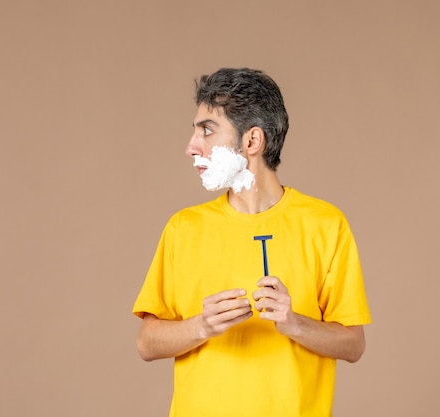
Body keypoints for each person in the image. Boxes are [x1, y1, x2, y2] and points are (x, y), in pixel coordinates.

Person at [132, 67, 371, 417]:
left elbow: (353, 345)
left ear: (252, 141)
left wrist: (295, 323)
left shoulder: (325, 224)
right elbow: (146, 343)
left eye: (207, 131)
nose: (191, 147)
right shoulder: (183, 228)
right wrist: (202, 325)